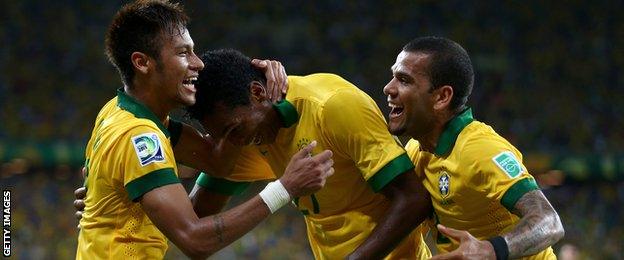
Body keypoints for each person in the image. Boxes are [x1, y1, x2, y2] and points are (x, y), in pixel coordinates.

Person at [76, 1, 334, 259]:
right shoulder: (140, 136)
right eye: (183, 53)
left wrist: (251, 82)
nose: (198, 63)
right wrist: (285, 188)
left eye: (193, 51)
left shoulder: (118, 111)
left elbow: (217, 162)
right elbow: (195, 240)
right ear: (143, 63)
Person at [185, 49, 433, 259]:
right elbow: (195, 219)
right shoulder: (243, 139)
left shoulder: (334, 107)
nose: (235, 142)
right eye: (222, 136)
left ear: (258, 93)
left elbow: (413, 200)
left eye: (234, 129)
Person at [383, 36, 564, 259]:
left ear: (442, 96)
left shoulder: (480, 149)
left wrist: (491, 250)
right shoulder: (416, 151)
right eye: (393, 77)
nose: (388, 88)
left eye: (404, 80)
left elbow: (549, 220)